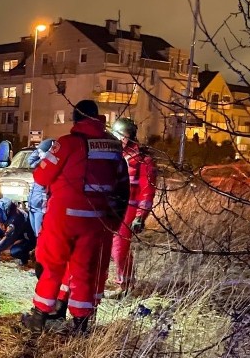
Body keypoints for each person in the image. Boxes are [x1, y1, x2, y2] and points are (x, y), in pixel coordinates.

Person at [21, 100, 129, 334]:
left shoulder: (68, 143)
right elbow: (122, 184)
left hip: (64, 217)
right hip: (96, 219)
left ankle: (40, 315)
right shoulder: (113, 146)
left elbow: (41, 177)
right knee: (84, 270)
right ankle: (81, 324)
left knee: (51, 264)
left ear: (75, 117)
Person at [106, 117, 157, 297]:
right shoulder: (112, 155)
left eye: (123, 135)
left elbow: (147, 191)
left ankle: (125, 285)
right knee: (105, 248)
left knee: (119, 250)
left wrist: (140, 216)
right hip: (109, 208)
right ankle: (115, 282)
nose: (120, 139)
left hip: (128, 210)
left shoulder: (143, 160)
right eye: (117, 134)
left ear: (131, 137)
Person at [0, 197, 36, 266]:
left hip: (24, 237)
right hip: (12, 234)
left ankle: (25, 257)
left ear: (1, 214)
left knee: (16, 251)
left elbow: (8, 239)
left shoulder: (15, 218)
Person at [26, 138, 56, 236]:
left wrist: (47, 153)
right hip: (32, 205)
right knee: (36, 233)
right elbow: (30, 161)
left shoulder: (50, 164)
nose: (39, 154)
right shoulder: (41, 163)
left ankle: (39, 251)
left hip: (40, 206)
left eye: (40, 152)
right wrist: (39, 149)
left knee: (40, 234)